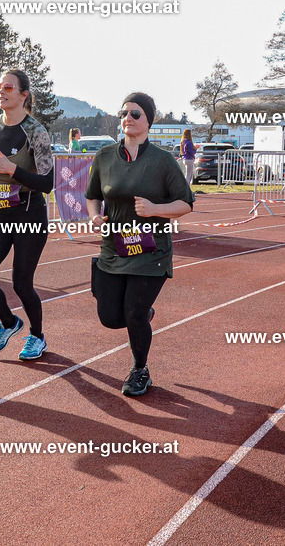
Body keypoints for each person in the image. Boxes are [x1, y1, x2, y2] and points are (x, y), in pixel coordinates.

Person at [85, 92, 194, 396]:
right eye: (124, 113)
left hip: (151, 251)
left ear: (148, 121)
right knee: (109, 317)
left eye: (136, 114)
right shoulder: (105, 156)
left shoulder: (162, 160)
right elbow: (93, 195)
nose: (128, 119)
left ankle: (140, 370)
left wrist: (156, 209)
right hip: (114, 248)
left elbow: (186, 203)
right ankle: (143, 315)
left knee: (132, 312)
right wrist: (95, 217)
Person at [0, 69, 54, 360]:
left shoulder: (36, 132)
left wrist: (12, 170)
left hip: (29, 214)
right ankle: (8, 322)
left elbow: (47, 183)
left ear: (23, 95)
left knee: (22, 283)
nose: (1, 91)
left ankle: (37, 336)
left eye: (8, 87)